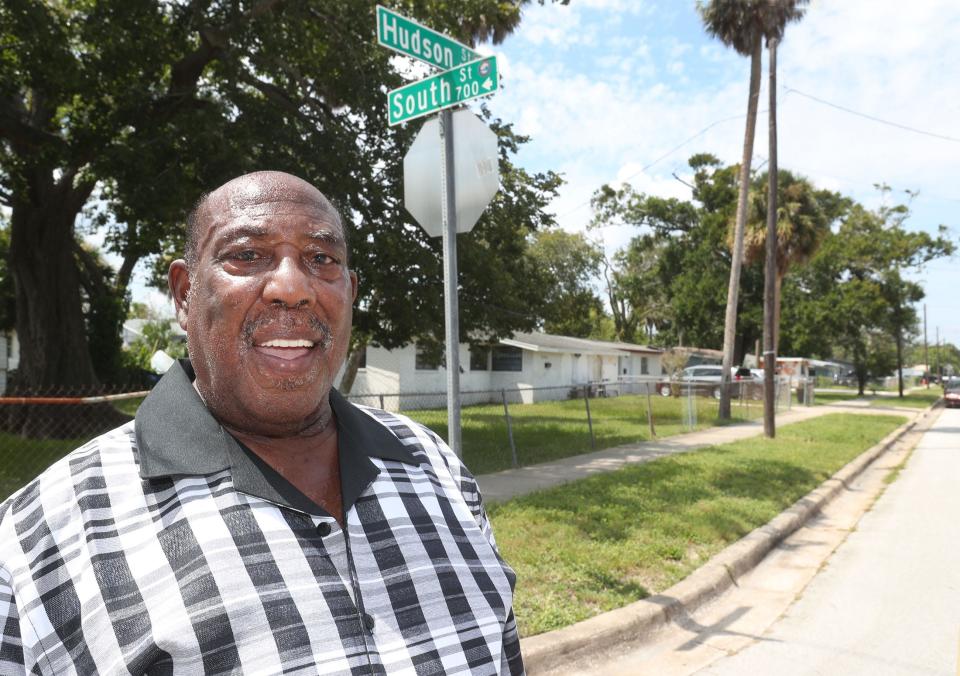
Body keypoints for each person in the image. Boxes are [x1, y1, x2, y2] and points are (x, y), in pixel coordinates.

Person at [0, 171, 523, 674]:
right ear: (184, 294)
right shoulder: (38, 539)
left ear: (350, 292)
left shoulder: (435, 466)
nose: (293, 287)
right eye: (247, 255)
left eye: (322, 259)